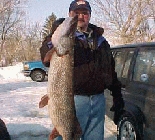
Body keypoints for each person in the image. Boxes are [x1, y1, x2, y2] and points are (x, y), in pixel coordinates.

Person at [40, 0, 124, 139]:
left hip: (98, 100)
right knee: (67, 133)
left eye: (84, 13)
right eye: (76, 13)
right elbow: (45, 56)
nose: (80, 16)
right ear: (69, 14)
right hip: (73, 101)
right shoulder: (62, 38)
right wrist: (55, 33)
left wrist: (117, 96)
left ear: (89, 15)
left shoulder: (101, 41)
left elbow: (110, 70)